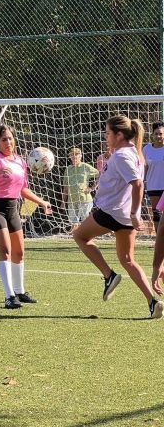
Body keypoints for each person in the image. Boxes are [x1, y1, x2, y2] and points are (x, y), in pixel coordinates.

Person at [73, 115, 163, 319]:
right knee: (128, 259)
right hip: (123, 215)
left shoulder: (122, 155)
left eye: (108, 133)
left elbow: (137, 184)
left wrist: (134, 213)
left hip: (113, 212)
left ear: (119, 135)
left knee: (80, 236)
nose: (106, 137)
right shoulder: (133, 152)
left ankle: (109, 275)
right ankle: (153, 302)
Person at [0, 125, 52, 309]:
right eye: (3, 139)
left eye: (10, 138)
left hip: (13, 208)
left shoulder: (21, 162)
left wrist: (42, 202)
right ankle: (9, 297)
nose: (8, 142)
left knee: (19, 253)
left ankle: (20, 291)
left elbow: (23, 188)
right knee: (5, 250)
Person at [62, 147, 99, 231]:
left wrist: (92, 188)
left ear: (81, 156)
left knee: (85, 220)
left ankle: (91, 234)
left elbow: (100, 174)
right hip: (72, 200)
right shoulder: (68, 169)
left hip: (84, 199)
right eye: (72, 155)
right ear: (70, 157)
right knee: (73, 224)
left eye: (77, 155)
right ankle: (75, 239)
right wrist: (63, 202)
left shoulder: (85, 167)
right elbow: (65, 187)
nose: (74, 157)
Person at [143, 122, 164, 231]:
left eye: (160, 134)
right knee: (156, 213)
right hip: (153, 186)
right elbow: (145, 167)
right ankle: (159, 240)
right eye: (156, 134)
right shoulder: (147, 149)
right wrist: (142, 181)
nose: (158, 136)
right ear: (152, 134)